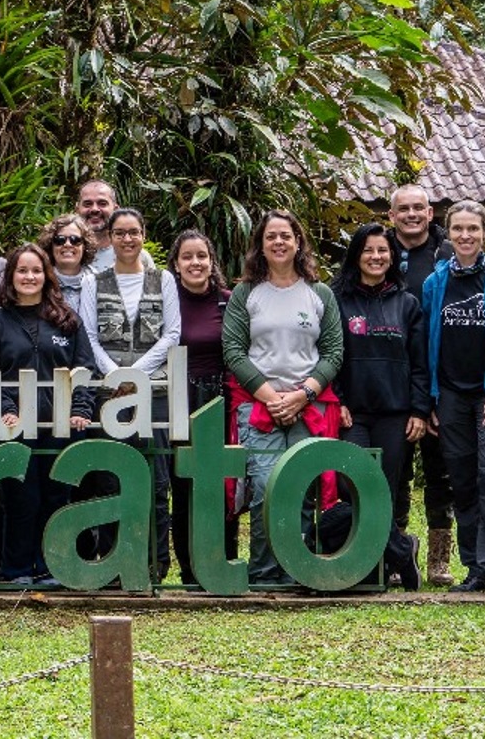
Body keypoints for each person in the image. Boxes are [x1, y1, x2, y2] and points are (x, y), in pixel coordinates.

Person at [222, 209, 344, 587]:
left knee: (302, 486)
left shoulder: (319, 293)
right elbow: (233, 349)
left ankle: (297, 568)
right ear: (260, 244)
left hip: (309, 405)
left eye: (285, 236)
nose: (278, 242)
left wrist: (303, 395)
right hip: (259, 403)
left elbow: (334, 351)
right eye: (271, 236)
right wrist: (274, 397)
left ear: (298, 242)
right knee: (262, 488)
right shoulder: (246, 293)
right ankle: (262, 572)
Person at [419, 200, 485, 598]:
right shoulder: (436, 283)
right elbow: (428, 340)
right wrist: (431, 398)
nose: (465, 236)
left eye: (473, 229)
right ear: (448, 232)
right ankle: (474, 568)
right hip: (450, 396)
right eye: (458, 229)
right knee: (462, 481)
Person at [76, 207, 182, 576]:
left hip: (154, 394)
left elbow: (172, 334)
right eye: (119, 233)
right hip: (109, 395)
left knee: (155, 478)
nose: (127, 239)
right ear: (110, 236)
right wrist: (113, 375)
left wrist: (135, 374)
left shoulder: (163, 279)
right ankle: (111, 564)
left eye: (133, 232)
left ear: (143, 235)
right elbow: (88, 335)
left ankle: (153, 564)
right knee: (110, 477)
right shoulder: (94, 281)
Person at [0, 242, 97, 586]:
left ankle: (52, 568)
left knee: (56, 497)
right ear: (11, 277)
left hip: (60, 426)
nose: (29, 277)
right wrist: (5, 411)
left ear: (47, 277)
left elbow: (85, 368)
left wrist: (80, 409)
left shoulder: (67, 320)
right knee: (20, 499)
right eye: (22, 270)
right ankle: (17, 570)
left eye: (36, 270)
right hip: (15, 427)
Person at [331, 224, 428, 590]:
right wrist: (337, 400)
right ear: (357, 255)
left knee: (384, 490)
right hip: (351, 413)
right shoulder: (337, 300)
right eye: (368, 250)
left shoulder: (407, 304)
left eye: (383, 251)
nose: (376, 257)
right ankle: (403, 550)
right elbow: (330, 355)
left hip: (395, 413)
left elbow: (420, 363)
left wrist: (419, 410)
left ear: (392, 257)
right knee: (352, 487)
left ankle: (374, 569)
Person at [388, 183, 456, 585]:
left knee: (440, 471)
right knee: (396, 471)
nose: (412, 215)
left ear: (431, 214)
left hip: (440, 375)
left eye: (419, 208)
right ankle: (396, 554)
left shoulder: (447, 253)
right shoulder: (379, 250)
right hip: (393, 377)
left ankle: (439, 560)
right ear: (392, 215)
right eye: (404, 209)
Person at [168, 230, 238, 588]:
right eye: (187, 257)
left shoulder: (229, 302)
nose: (195, 263)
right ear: (176, 264)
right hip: (177, 403)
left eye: (201, 256)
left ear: (212, 262)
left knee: (219, 486)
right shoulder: (167, 302)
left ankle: (221, 564)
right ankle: (190, 572)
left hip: (220, 403)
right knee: (183, 489)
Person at [44, 213, 98, 310]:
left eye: (75, 240)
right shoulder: (40, 282)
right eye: (60, 240)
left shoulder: (99, 282)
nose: (68, 244)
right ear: (50, 245)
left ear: (85, 245)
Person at [76, 181, 119, 273]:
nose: (94, 209)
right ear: (77, 210)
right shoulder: (64, 253)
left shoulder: (135, 256)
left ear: (115, 210)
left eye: (102, 203)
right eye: (88, 204)